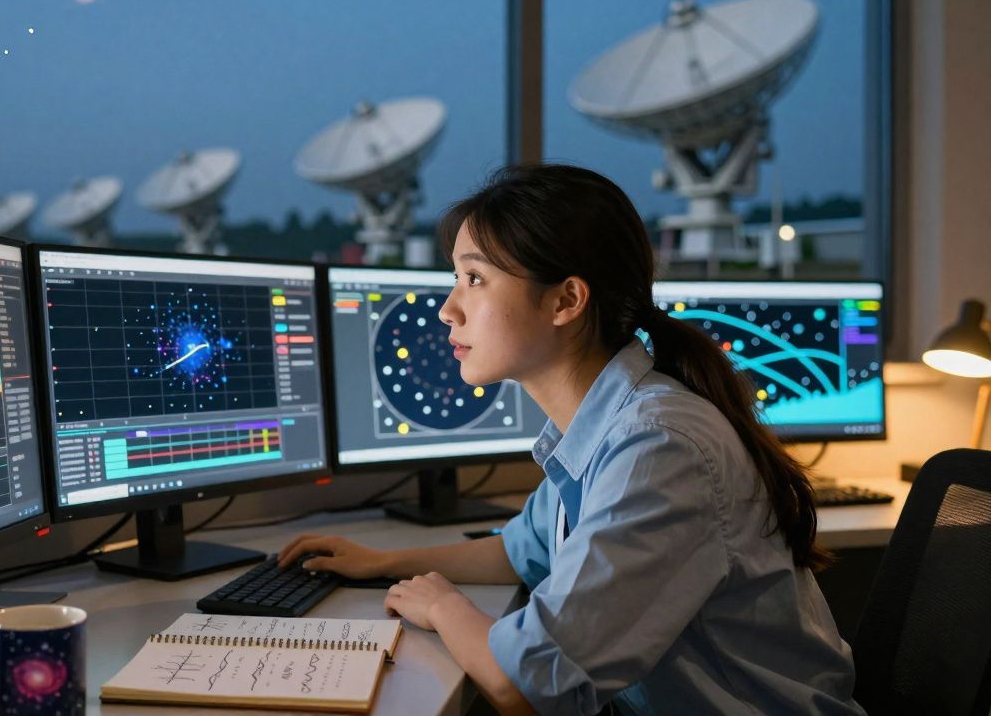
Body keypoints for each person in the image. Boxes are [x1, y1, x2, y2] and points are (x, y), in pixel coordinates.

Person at [280, 164, 862, 715]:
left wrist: (443, 606)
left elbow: (526, 688)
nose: (448, 310)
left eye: (475, 279)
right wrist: (382, 562)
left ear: (566, 301)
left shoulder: (658, 448)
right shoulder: (600, 427)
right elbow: (518, 552)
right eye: (456, 279)